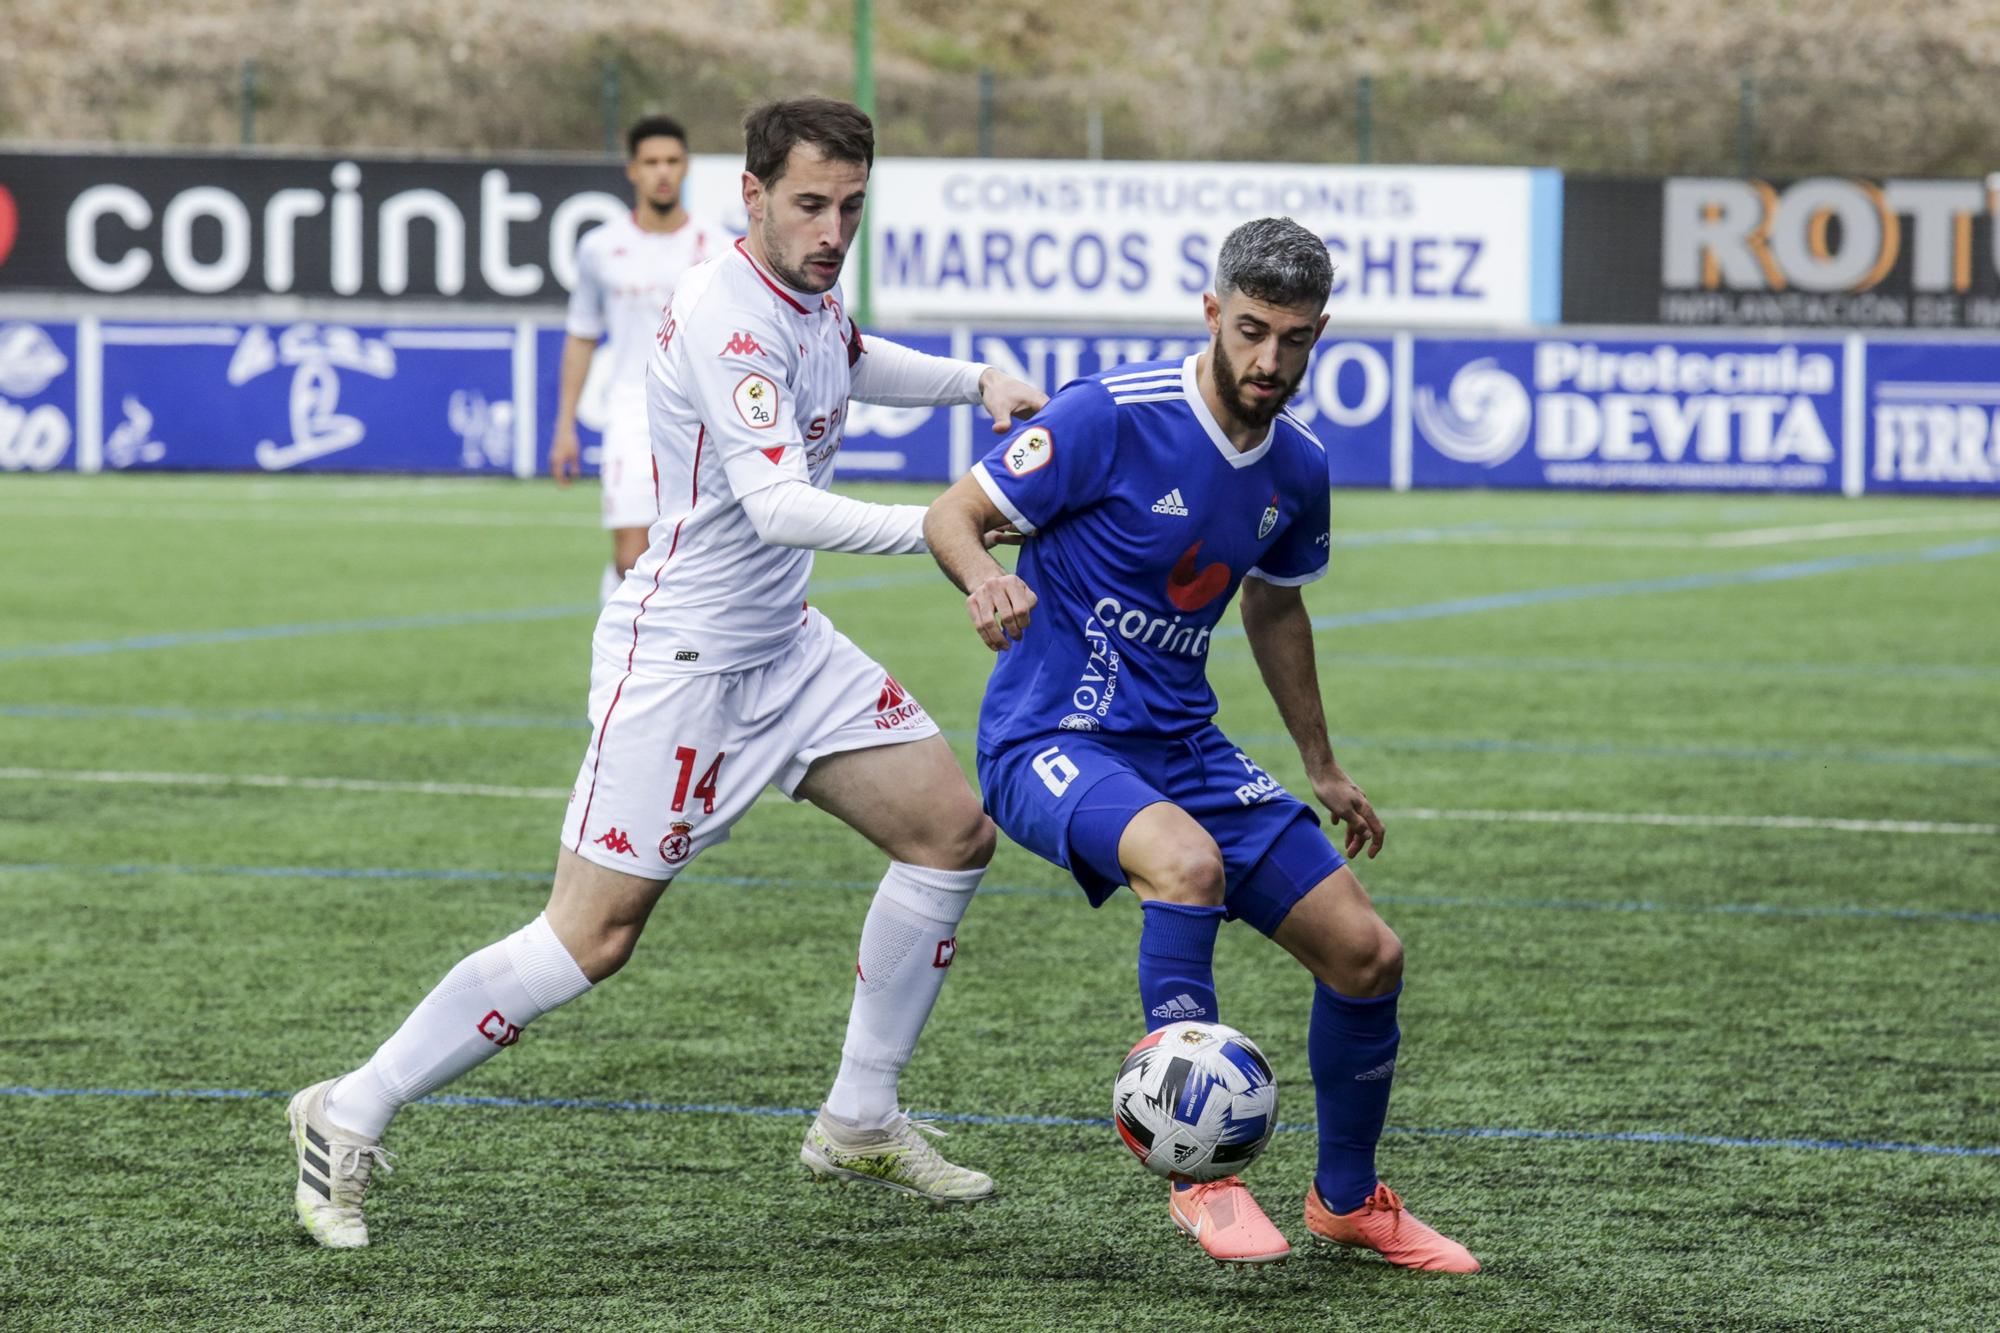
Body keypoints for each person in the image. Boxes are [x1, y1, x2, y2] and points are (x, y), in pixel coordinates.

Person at [287, 97, 1048, 1248]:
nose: (832, 227)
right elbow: (777, 503)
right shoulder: (726, 315)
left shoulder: (804, 289)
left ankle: (857, 1118)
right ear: (747, 197)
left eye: (849, 204)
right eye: (807, 204)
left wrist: (971, 380)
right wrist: (945, 526)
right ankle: (348, 1107)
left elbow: (847, 354)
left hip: (784, 646)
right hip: (682, 660)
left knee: (949, 831)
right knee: (589, 938)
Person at [922, 217, 1480, 1272]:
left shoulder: (1298, 469)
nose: (1269, 362)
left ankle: (1347, 1201)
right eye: (1251, 331)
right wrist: (985, 577)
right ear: (1211, 312)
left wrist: (1320, 764)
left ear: (1320, 334)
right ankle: (1201, 1177)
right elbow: (949, 515)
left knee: (1367, 956)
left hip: (1182, 743)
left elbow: (1275, 612)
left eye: (1295, 340)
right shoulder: (1109, 416)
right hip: (1051, 735)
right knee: (1182, 863)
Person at [550, 115, 726, 603]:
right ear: (632, 171)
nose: (662, 172)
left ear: (686, 167)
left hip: (703, 417)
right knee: (631, 554)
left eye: (672, 161)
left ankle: (682, 661)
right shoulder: (600, 248)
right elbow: (582, 335)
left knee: (697, 554)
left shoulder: (720, 247)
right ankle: (620, 657)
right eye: (651, 162)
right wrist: (565, 426)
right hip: (631, 411)